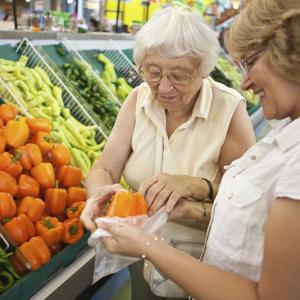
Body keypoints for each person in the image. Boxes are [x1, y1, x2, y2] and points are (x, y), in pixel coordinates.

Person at [92, 0, 300, 299]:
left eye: (178, 75)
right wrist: (101, 198)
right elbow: (104, 168)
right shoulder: (284, 137)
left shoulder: (233, 110)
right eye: (152, 72)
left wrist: (195, 191)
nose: (164, 87)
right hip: (150, 265)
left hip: (195, 266)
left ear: (204, 70)